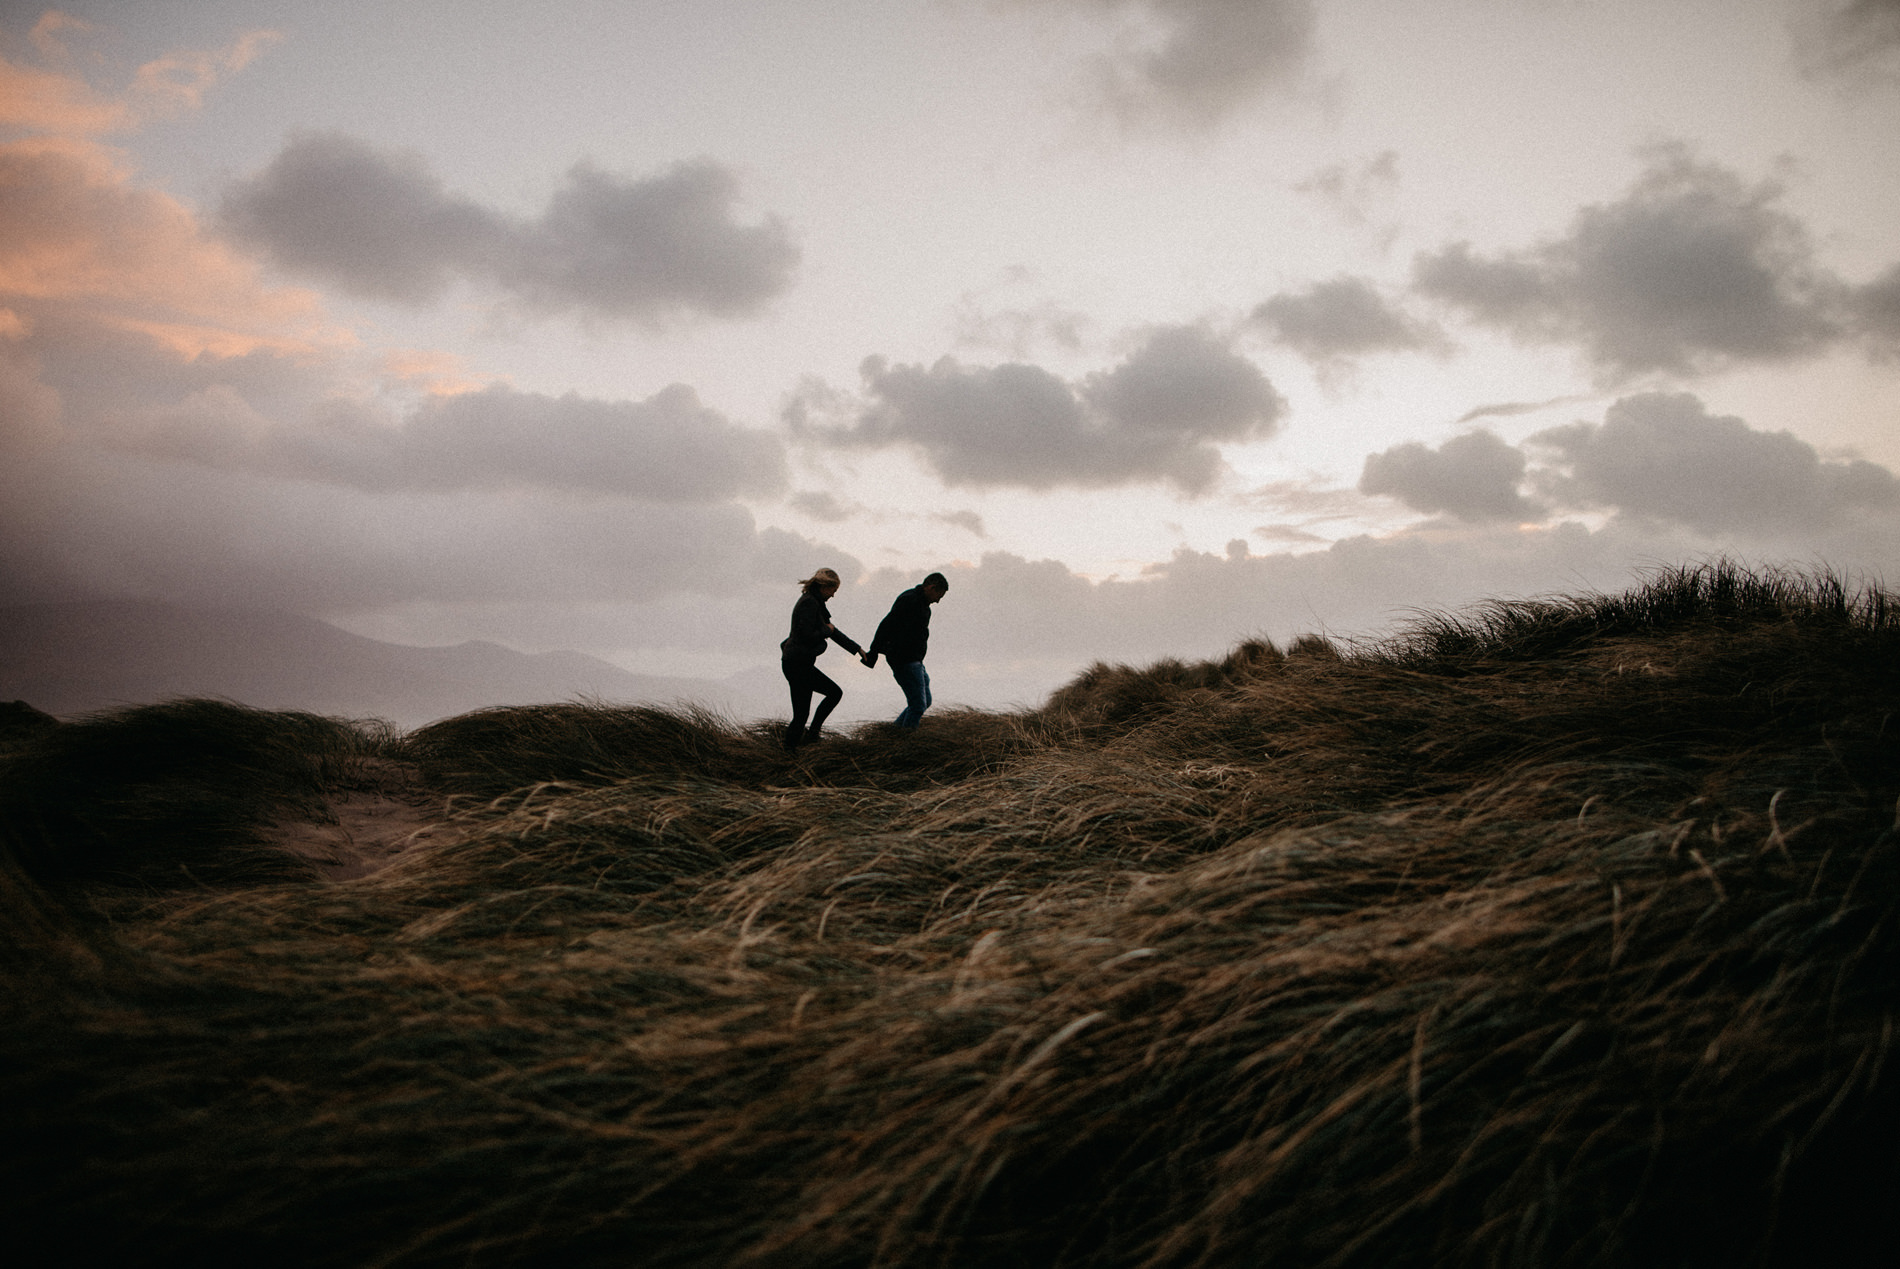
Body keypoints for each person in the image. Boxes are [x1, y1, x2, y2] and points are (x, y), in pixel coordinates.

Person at [780, 568, 865, 750]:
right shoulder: (809, 603)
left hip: (798, 663)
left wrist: (856, 648)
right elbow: (808, 634)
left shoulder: (815, 602)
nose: (833, 595)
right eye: (833, 590)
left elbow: (832, 630)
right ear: (824, 587)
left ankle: (797, 745)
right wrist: (828, 631)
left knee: (803, 713)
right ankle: (799, 744)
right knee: (829, 696)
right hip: (797, 665)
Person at [861, 571, 948, 729]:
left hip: (915, 660)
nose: (938, 601)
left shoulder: (924, 607)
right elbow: (887, 624)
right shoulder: (910, 599)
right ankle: (904, 740)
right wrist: (874, 651)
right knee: (918, 705)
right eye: (938, 596)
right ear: (931, 587)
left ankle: (894, 732)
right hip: (904, 660)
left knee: (924, 701)